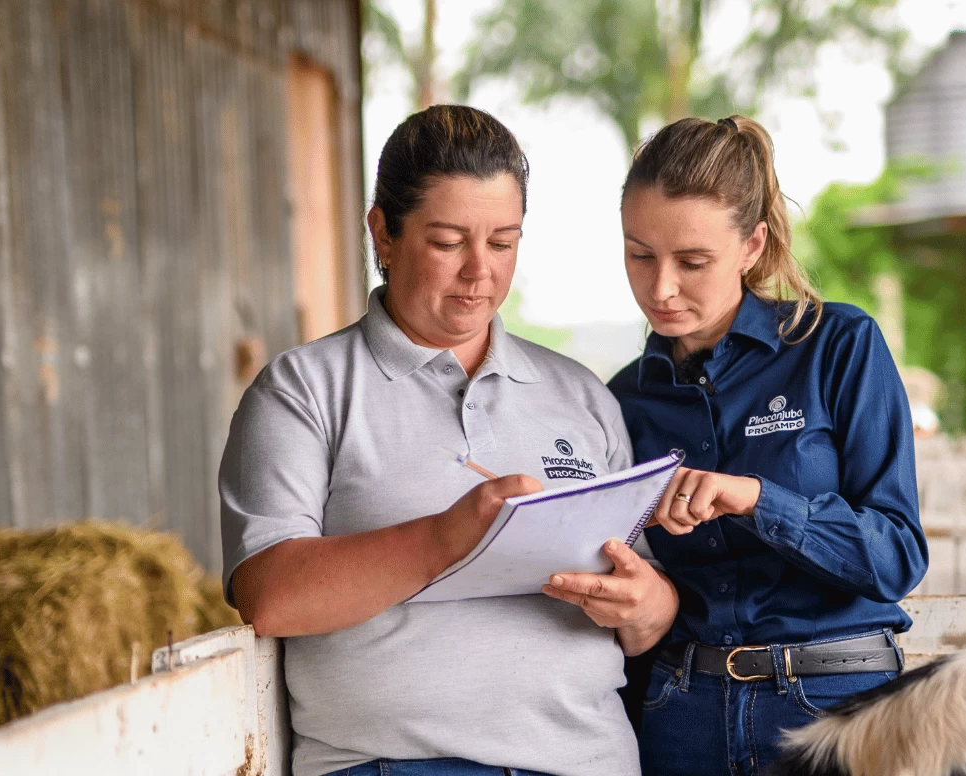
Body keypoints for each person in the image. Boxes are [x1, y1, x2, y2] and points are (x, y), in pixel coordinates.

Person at [219, 105, 676, 776]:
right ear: (384, 232)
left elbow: (649, 604)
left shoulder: (582, 395)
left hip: (587, 758)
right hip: (389, 765)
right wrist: (448, 536)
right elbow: (271, 596)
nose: (479, 271)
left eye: (502, 241)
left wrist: (647, 606)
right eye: (447, 240)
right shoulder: (304, 390)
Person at [593, 116, 928, 775]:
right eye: (640, 254)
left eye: (692, 262)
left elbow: (897, 556)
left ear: (751, 245)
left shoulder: (840, 346)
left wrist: (757, 499)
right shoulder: (619, 400)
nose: (661, 288)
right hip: (680, 713)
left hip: (839, 707)